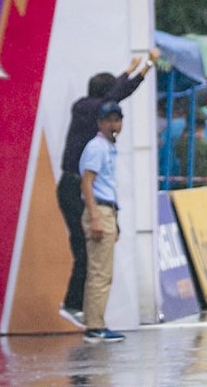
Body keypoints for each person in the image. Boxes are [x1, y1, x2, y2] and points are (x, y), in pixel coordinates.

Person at [57, 49, 159, 329]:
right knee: (84, 246)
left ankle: (85, 312)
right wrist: (144, 67)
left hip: (72, 186)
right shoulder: (85, 108)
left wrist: (131, 70)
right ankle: (75, 305)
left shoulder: (90, 112)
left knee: (88, 249)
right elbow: (116, 95)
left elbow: (114, 93)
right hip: (72, 186)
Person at [80, 102, 126, 343]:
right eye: (108, 120)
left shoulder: (107, 147)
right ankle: (95, 325)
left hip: (107, 211)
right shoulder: (97, 147)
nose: (114, 125)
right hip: (99, 210)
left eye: (117, 120)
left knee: (101, 272)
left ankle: (95, 322)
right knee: (100, 273)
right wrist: (96, 217)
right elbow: (87, 182)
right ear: (100, 123)